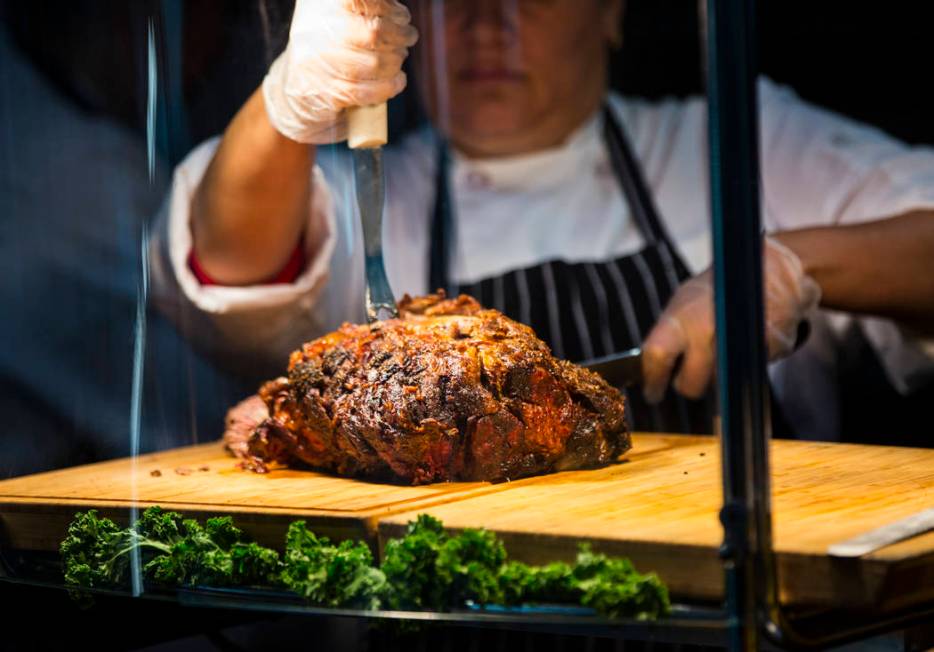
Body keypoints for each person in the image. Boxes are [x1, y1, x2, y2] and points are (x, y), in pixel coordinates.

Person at [151, 0, 934, 439]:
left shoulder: (738, 138)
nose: (486, 21)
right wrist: (289, 100)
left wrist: (791, 265)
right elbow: (225, 260)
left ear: (612, 15)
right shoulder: (359, 186)